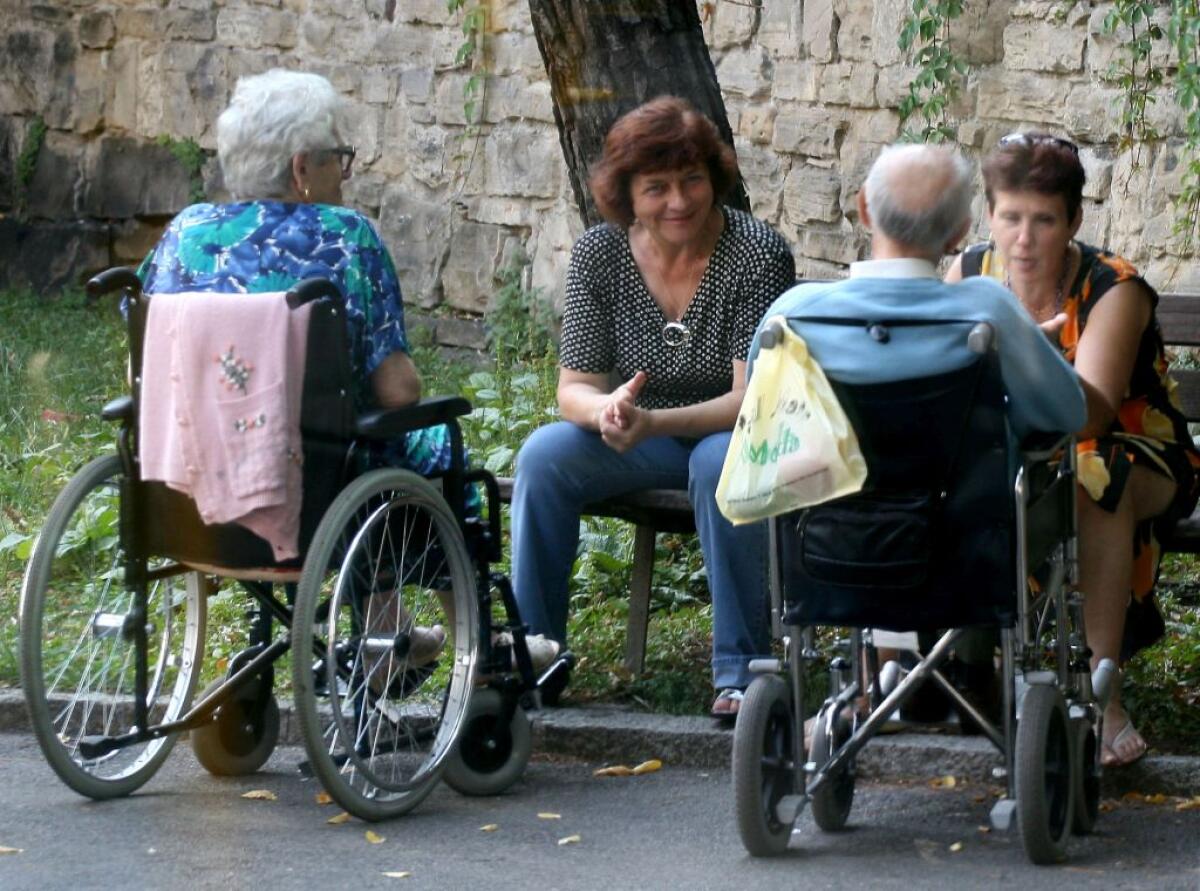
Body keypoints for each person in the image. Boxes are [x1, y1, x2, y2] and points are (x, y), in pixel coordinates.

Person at [136, 69, 471, 666]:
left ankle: (387, 628)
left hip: (189, 480)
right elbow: (397, 391)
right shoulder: (345, 238)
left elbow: (152, 361)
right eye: (338, 158)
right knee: (429, 443)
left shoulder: (184, 233)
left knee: (360, 447)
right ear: (301, 169)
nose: (345, 173)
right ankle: (477, 644)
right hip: (308, 486)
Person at [752, 144, 1088, 738]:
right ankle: (965, 674)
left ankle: (879, 683)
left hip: (830, 546)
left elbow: (766, 427)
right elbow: (1066, 414)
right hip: (964, 548)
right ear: (960, 233)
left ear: (863, 209)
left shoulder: (794, 317)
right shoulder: (985, 313)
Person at [509, 97, 796, 718]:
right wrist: (606, 411)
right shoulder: (600, 254)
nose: (679, 201)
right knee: (543, 457)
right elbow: (574, 387)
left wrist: (652, 423)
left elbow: (752, 400)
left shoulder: (756, 252)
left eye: (692, 180)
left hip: (738, 432)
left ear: (714, 178)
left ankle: (740, 674)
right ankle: (535, 658)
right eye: (656, 187)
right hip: (646, 435)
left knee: (718, 464)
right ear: (627, 195)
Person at [947, 133, 1200, 767]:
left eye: (1044, 220)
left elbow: (1093, 414)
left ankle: (1101, 695)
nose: (1024, 239)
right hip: (1023, 453)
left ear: (1074, 222)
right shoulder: (971, 274)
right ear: (989, 215)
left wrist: (1025, 354)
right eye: (1010, 217)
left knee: (1094, 473)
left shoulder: (1113, 287)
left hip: (1136, 448)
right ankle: (910, 677)